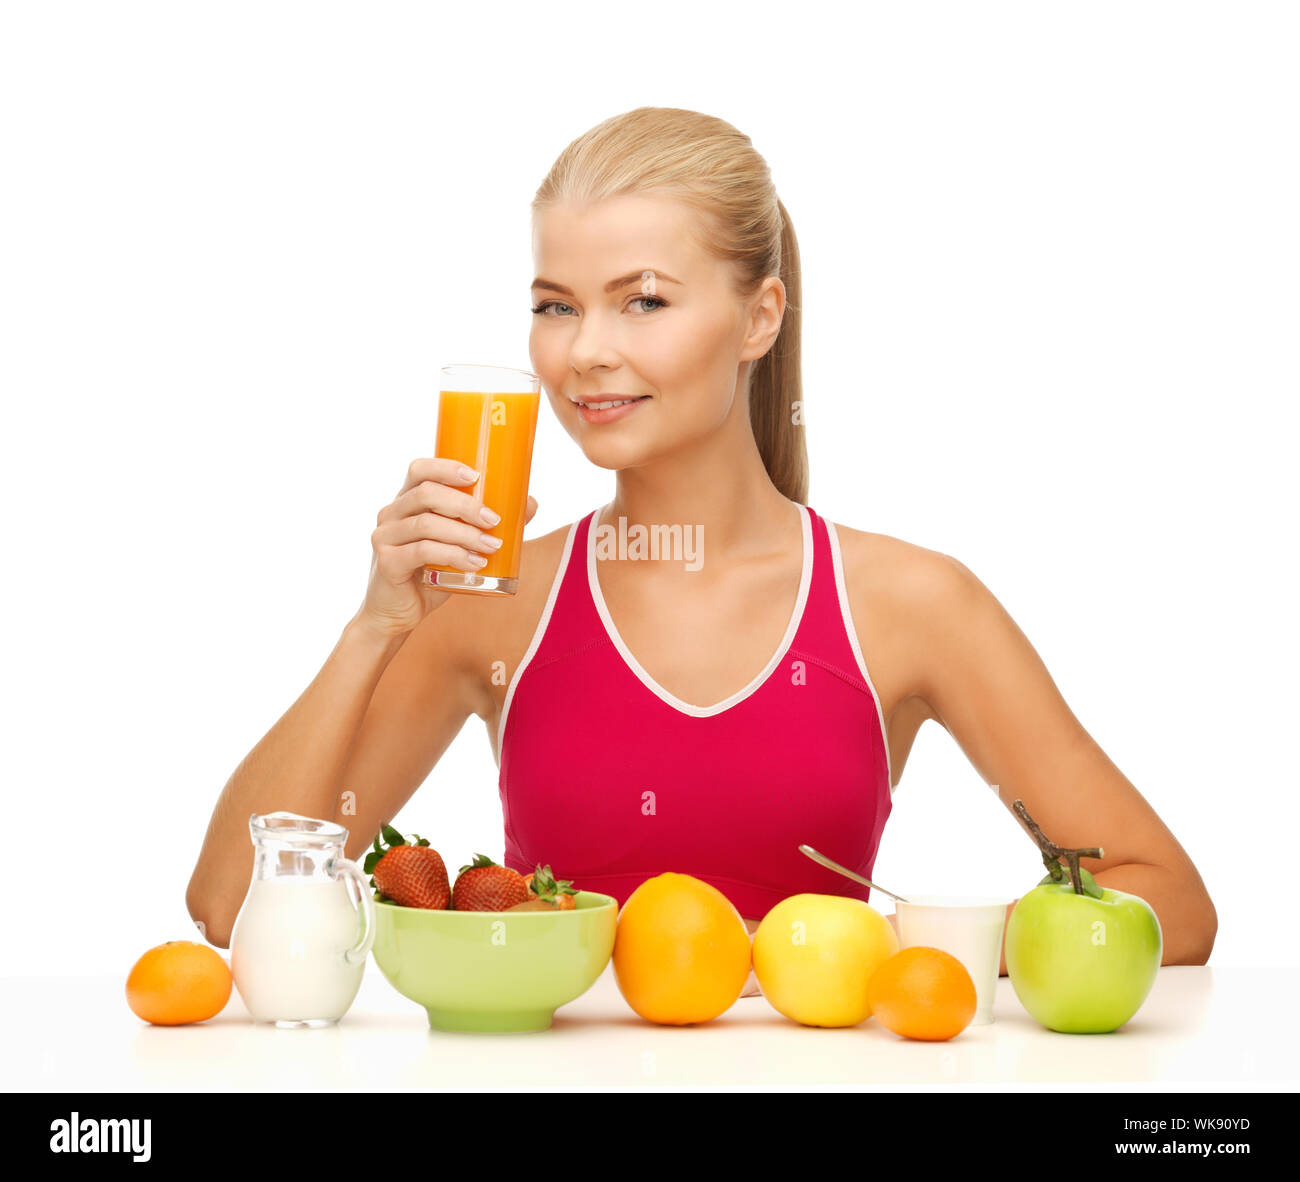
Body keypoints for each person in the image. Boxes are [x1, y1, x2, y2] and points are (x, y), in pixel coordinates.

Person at [187, 108, 1217, 996]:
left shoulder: (909, 603)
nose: (584, 349)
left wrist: (909, 954)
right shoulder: (497, 603)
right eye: (555, 305)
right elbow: (232, 904)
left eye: (643, 300)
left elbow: (1164, 898)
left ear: (757, 318)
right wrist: (375, 626)